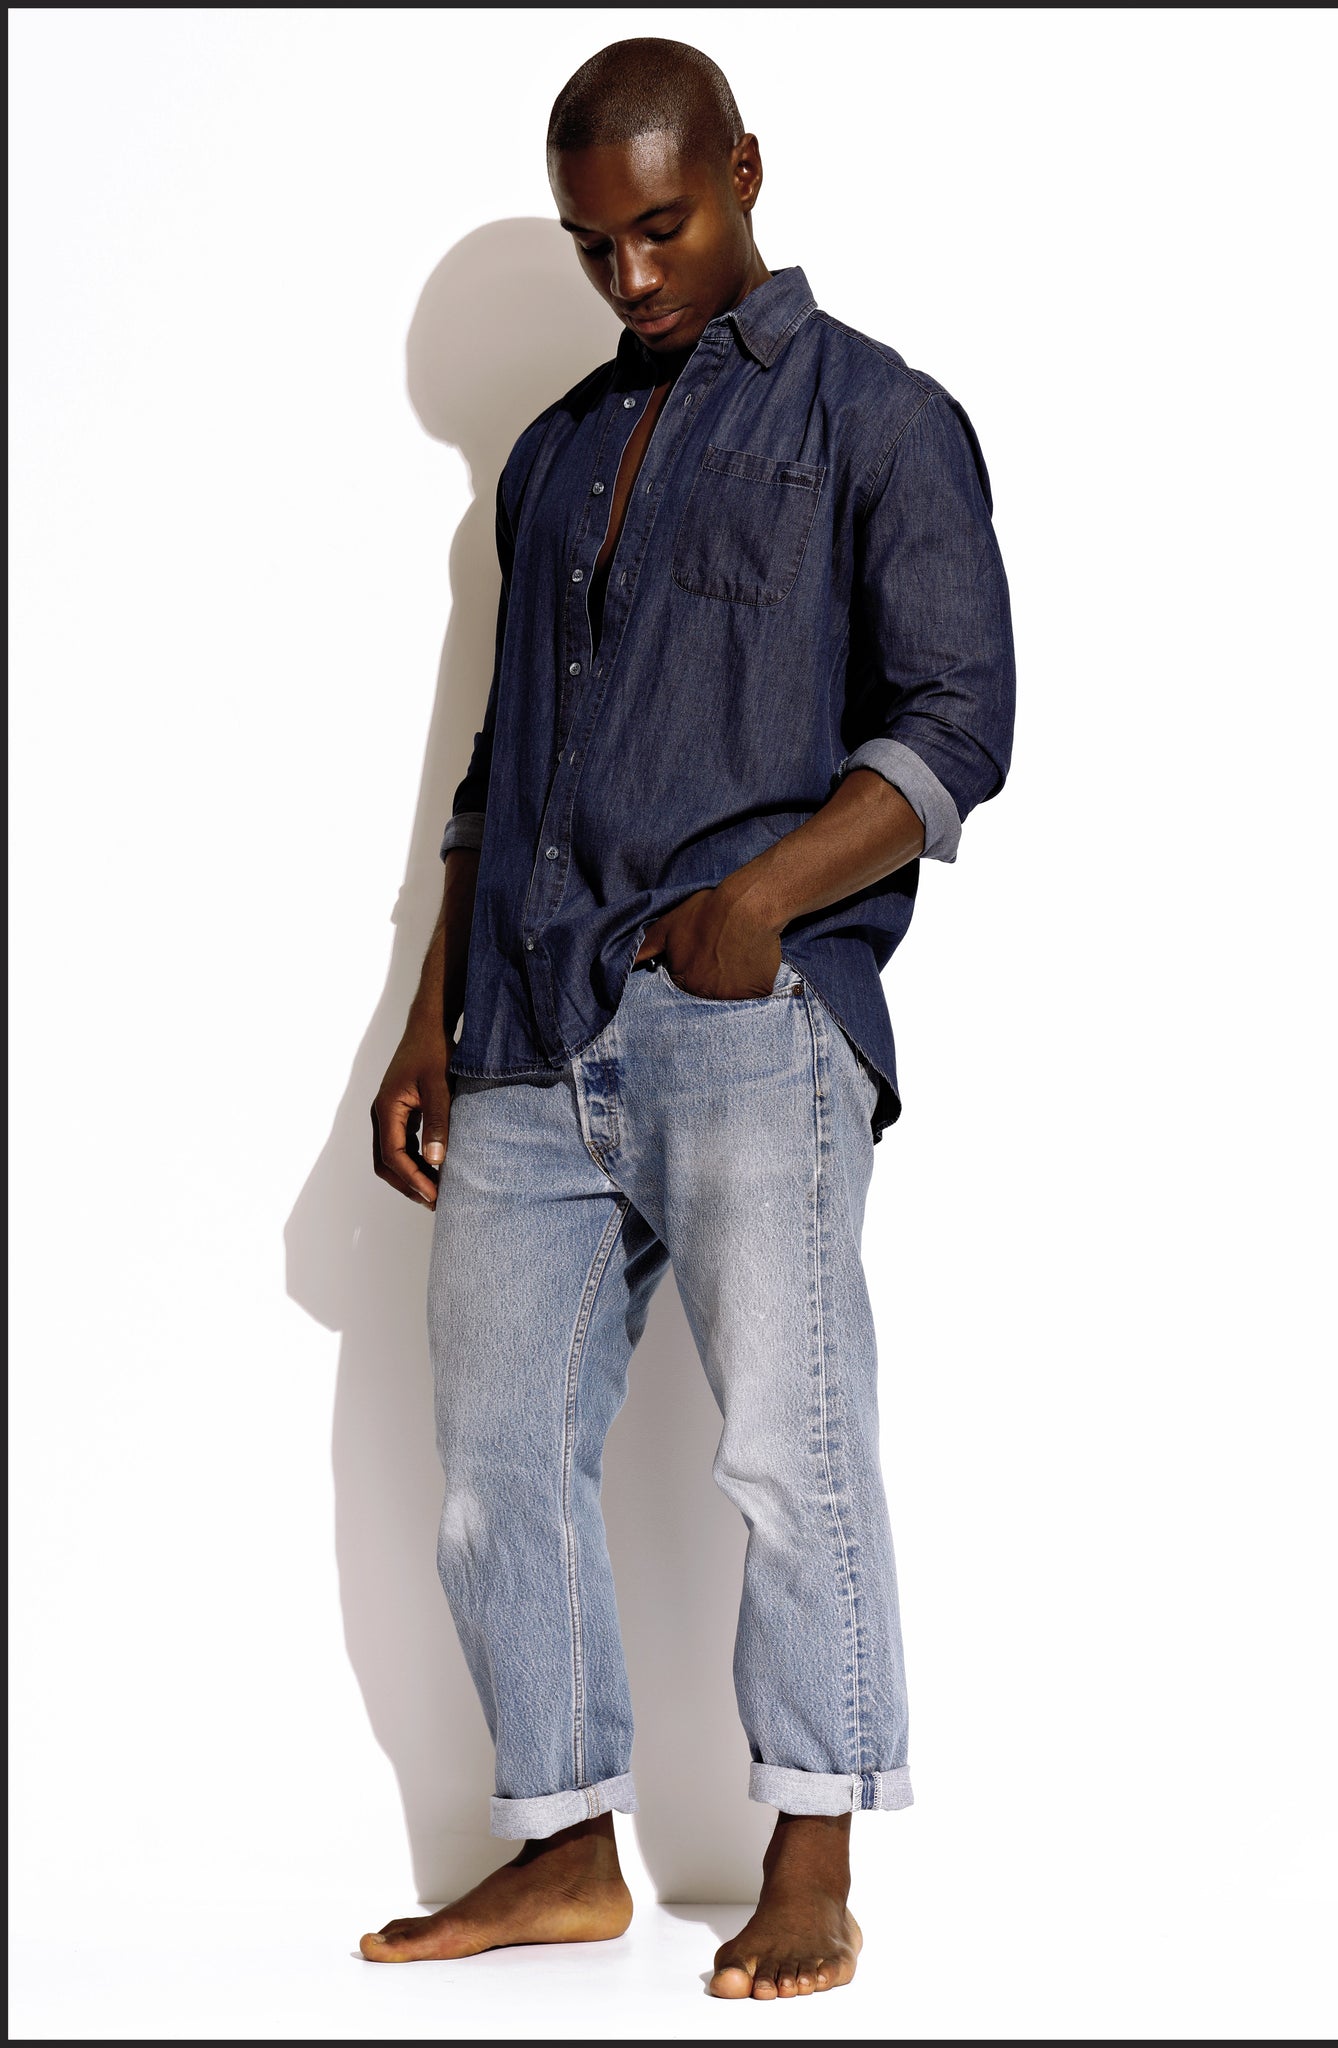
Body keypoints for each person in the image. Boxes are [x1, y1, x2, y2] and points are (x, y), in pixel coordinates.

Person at [364, 36, 1014, 2000]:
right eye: (594, 245)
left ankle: (810, 1855)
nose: (631, 275)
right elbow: (501, 767)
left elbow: (954, 726)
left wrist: (757, 905)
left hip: (748, 1020)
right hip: (525, 1017)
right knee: (490, 1455)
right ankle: (563, 1847)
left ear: (742, 169)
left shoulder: (878, 417)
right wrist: (425, 1017)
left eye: (661, 226)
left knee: (788, 1454)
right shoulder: (552, 452)